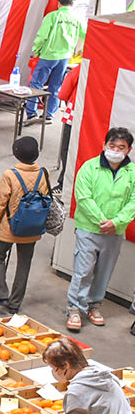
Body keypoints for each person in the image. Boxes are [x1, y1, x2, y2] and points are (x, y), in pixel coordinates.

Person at [66, 127, 135, 331]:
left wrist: (116, 222)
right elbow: (83, 198)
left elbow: (133, 202)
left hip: (115, 231)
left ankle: (94, 306)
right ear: (104, 145)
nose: (115, 150)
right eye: (112, 146)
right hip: (89, 229)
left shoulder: (131, 173)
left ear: (128, 150)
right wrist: (102, 221)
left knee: (104, 271)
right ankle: (75, 309)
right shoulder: (89, 168)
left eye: (121, 147)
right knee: (83, 271)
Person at [0, 136, 49, 315]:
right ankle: (15, 303)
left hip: (9, 228)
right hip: (32, 228)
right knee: (24, 263)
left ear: (16, 154)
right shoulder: (43, 173)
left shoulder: (10, 175)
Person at [28, 0, 86, 123]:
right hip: (65, 57)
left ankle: (31, 113)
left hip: (48, 55)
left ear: (58, 3)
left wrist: (36, 50)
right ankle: (49, 114)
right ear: (72, 3)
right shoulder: (78, 18)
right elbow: (87, 35)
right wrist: (82, 51)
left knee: (36, 84)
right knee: (56, 86)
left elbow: (42, 36)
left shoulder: (52, 16)